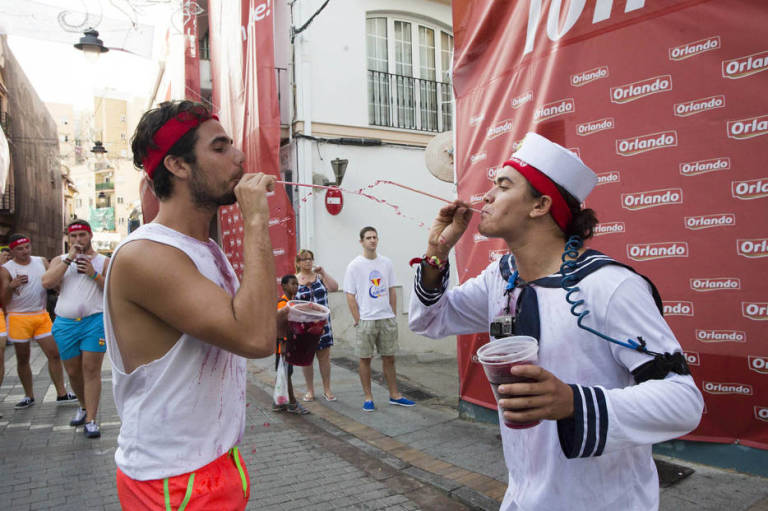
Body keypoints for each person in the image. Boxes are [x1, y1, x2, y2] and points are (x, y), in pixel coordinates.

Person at [409, 132, 703, 510]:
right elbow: (431, 321)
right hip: (522, 497)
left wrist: (573, 403)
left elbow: (683, 401)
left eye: (502, 185)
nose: (486, 197)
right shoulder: (501, 277)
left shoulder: (610, 287)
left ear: (540, 205)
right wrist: (436, 253)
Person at [107, 100, 280, 510]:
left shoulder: (203, 248)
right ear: (178, 166)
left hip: (214, 462)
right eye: (219, 148)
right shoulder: (146, 254)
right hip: (172, 480)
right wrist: (256, 220)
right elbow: (254, 339)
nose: (239, 157)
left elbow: (234, 327)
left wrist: (281, 321)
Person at [42, 220, 109, 438]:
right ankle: (82, 406)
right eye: (74, 236)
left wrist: (93, 273)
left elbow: (111, 290)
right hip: (65, 323)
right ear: (69, 239)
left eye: (82, 235)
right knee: (73, 371)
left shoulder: (103, 261)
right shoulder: (60, 260)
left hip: (94, 321)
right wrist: (69, 259)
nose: (78, 240)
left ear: (90, 236)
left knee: (91, 370)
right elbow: (47, 283)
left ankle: (91, 419)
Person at [0, 234, 76, 409]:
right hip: (18, 317)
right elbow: (3, 299)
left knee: (54, 354)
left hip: (41, 315)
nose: (25, 251)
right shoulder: (6, 269)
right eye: (20, 249)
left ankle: (62, 393)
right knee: (23, 358)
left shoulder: (41, 261)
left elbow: (55, 281)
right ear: (12, 250)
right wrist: (12, 285)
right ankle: (29, 395)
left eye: (27, 247)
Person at [344, 226, 414, 412]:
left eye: (375, 237)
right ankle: (368, 397)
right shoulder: (355, 265)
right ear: (361, 241)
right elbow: (350, 295)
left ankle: (395, 395)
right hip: (366, 319)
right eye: (368, 238)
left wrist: (392, 313)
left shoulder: (386, 263)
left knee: (389, 358)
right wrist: (358, 319)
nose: (372, 240)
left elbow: (391, 289)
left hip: (386, 318)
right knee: (365, 358)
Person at [294, 249, 338, 402]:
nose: (308, 262)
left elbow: (334, 288)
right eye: (304, 259)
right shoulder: (294, 280)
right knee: (307, 359)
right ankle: (310, 390)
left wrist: (324, 273)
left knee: (324, 358)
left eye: (310, 259)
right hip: (304, 326)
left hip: (323, 325)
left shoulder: (319, 277)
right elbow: (290, 303)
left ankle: (327, 389)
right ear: (298, 263)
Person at [273, 274, 309, 414]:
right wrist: (282, 345)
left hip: (287, 346)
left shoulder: (292, 302)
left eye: (297, 284)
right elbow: (280, 326)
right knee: (286, 374)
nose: (295, 286)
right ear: (283, 286)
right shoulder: (283, 303)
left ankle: (279, 402)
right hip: (283, 347)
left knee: (284, 374)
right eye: (292, 284)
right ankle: (292, 403)